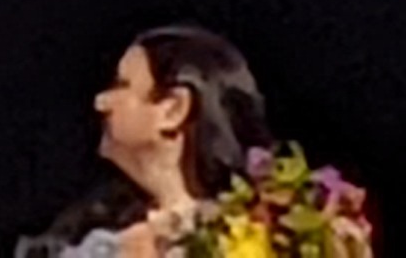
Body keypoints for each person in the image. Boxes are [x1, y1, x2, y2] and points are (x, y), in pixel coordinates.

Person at [42, 25, 271, 258]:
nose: (100, 103)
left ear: (173, 110)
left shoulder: (260, 235)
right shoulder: (88, 236)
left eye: (121, 85)